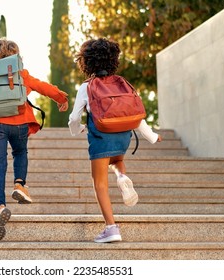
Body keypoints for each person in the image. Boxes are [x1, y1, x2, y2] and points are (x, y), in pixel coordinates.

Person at [68, 38, 162, 243]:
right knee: (117, 161)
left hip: (101, 136)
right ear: (113, 60)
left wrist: (77, 129)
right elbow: (136, 114)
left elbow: (75, 118)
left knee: (99, 183)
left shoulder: (87, 86)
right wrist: (152, 136)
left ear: (86, 62)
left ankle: (111, 228)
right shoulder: (122, 82)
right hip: (123, 135)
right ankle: (121, 176)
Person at [0, 38, 69, 242]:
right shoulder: (20, 74)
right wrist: (60, 98)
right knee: (20, 152)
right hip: (20, 122)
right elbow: (40, 86)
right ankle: (19, 185)